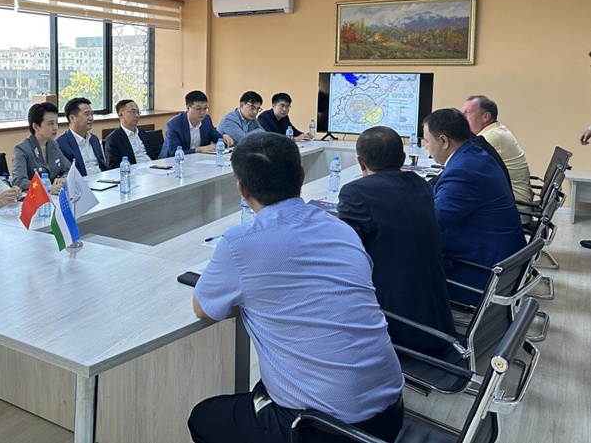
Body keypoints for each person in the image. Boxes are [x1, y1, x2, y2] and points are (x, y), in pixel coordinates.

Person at [189, 133, 404, 443]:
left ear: (242, 189)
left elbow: (203, 309)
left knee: (203, 417)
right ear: (302, 176)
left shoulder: (239, 243)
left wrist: (255, 297)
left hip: (324, 429)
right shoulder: (341, 229)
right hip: (390, 412)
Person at [337, 127, 455, 353]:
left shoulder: (355, 192)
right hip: (437, 320)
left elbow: (347, 257)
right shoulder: (420, 184)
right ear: (402, 158)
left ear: (361, 163)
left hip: (396, 328)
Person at [422, 108, 525, 303]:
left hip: (479, 273)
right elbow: (438, 191)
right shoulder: (473, 155)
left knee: (397, 261)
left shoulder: (464, 171)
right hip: (497, 260)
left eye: (427, 141)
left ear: (444, 141)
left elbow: (430, 224)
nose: (426, 147)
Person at [462, 95, 533, 206]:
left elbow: (463, 163)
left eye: (468, 112)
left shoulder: (491, 137)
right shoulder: (496, 130)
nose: (462, 117)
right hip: (510, 199)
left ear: (486, 117)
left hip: (515, 206)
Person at [12, 102, 71, 193]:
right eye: (50, 124)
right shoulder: (21, 149)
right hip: (35, 198)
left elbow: (69, 169)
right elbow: (19, 182)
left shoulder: (53, 144)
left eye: (56, 122)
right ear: (36, 126)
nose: (55, 127)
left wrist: (63, 179)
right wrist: (47, 188)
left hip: (55, 196)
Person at [160, 90, 233, 158]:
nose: (202, 112)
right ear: (188, 108)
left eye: (205, 108)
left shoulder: (206, 120)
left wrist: (224, 138)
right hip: (172, 162)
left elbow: (216, 137)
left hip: (198, 160)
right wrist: (198, 150)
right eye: (198, 109)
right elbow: (174, 152)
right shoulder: (174, 125)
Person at [56, 97, 108, 176]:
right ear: (72, 118)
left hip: (102, 179)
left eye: (92, 114)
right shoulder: (61, 143)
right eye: (87, 114)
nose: (91, 118)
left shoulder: (94, 139)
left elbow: (103, 165)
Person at [104, 99, 152, 169]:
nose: (137, 115)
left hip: (152, 167)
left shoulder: (142, 132)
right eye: (133, 112)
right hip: (134, 171)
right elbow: (113, 166)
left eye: (138, 112)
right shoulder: (113, 139)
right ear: (121, 115)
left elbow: (151, 155)